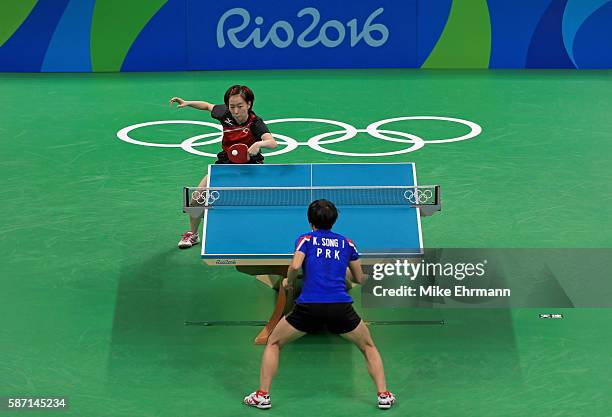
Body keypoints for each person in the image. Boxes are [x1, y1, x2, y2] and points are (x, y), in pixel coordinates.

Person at [243, 199, 395, 410]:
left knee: (274, 343)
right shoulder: (347, 243)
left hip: (309, 308)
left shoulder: (305, 239)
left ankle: (262, 396)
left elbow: (296, 265)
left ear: (310, 222)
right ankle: (384, 395)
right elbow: (359, 279)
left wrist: (288, 281)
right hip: (340, 308)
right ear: (334, 221)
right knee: (368, 347)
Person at [169, 85, 277, 249]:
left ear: (249, 104)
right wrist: (187, 102)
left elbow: (272, 142)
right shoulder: (225, 114)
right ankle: (193, 234)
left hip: (251, 167)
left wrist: (259, 143)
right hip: (226, 163)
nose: (235, 110)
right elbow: (207, 106)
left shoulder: (255, 123)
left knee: (258, 203)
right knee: (197, 197)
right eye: (231, 106)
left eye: (239, 106)